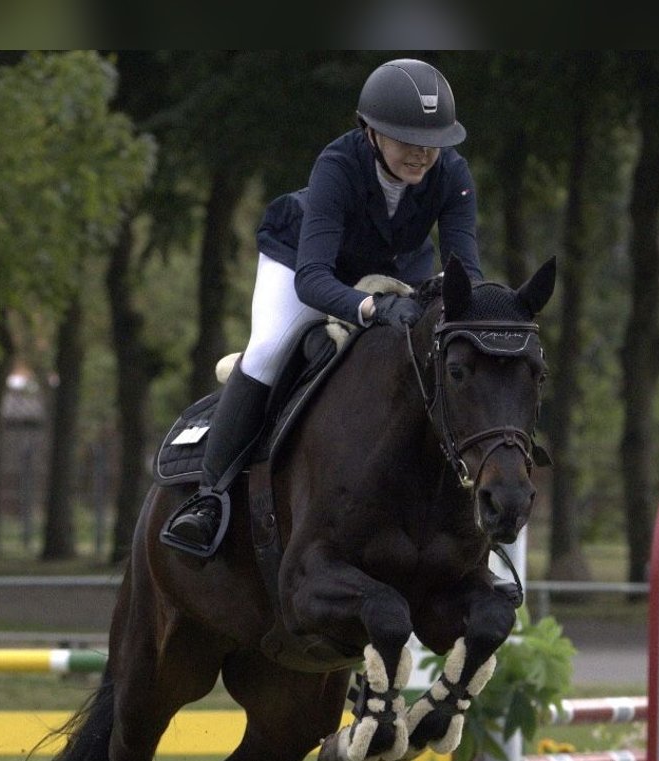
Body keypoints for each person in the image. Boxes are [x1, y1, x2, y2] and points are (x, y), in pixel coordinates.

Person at [162, 57, 484, 557]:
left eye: (433, 143)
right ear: (371, 132)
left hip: (396, 266)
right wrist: (373, 309)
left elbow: (466, 272)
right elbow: (314, 280)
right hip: (305, 263)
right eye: (407, 140)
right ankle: (208, 500)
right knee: (269, 349)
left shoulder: (453, 173)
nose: (422, 155)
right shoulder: (337, 164)